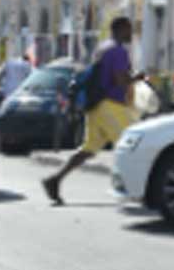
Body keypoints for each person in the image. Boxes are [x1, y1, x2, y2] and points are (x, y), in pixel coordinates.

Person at [42, 17, 141, 206]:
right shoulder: (118, 51)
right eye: (129, 30)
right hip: (110, 105)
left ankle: (55, 180)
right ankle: (136, 189)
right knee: (131, 144)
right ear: (120, 29)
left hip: (96, 104)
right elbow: (120, 81)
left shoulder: (103, 48)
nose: (131, 34)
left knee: (88, 149)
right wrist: (136, 78)